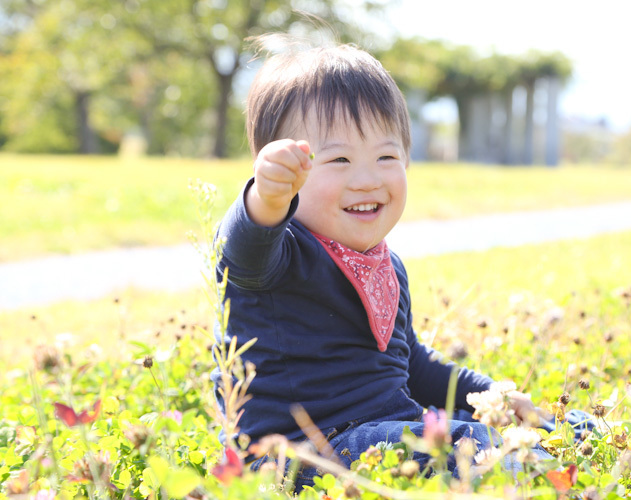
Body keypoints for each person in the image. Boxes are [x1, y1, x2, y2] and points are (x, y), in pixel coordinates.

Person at [209, 37, 590, 489]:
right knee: (468, 444)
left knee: (529, 426)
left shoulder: (385, 266)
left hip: (382, 434)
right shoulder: (278, 255)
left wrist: (491, 394)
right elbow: (244, 249)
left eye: (387, 156)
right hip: (301, 455)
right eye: (339, 159)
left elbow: (415, 368)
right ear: (290, 169)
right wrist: (266, 197)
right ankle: (544, 472)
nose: (367, 179)